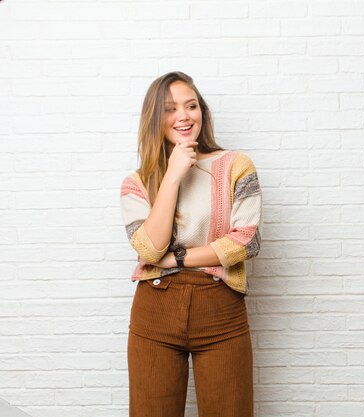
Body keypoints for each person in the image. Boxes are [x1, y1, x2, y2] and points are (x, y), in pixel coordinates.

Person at [119, 71, 263, 417]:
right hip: (155, 312)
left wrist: (176, 260)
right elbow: (149, 250)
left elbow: (246, 241)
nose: (183, 116)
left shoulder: (235, 167)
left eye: (191, 106)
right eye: (170, 109)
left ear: (203, 112)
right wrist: (171, 175)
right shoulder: (137, 183)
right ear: (155, 118)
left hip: (221, 309)